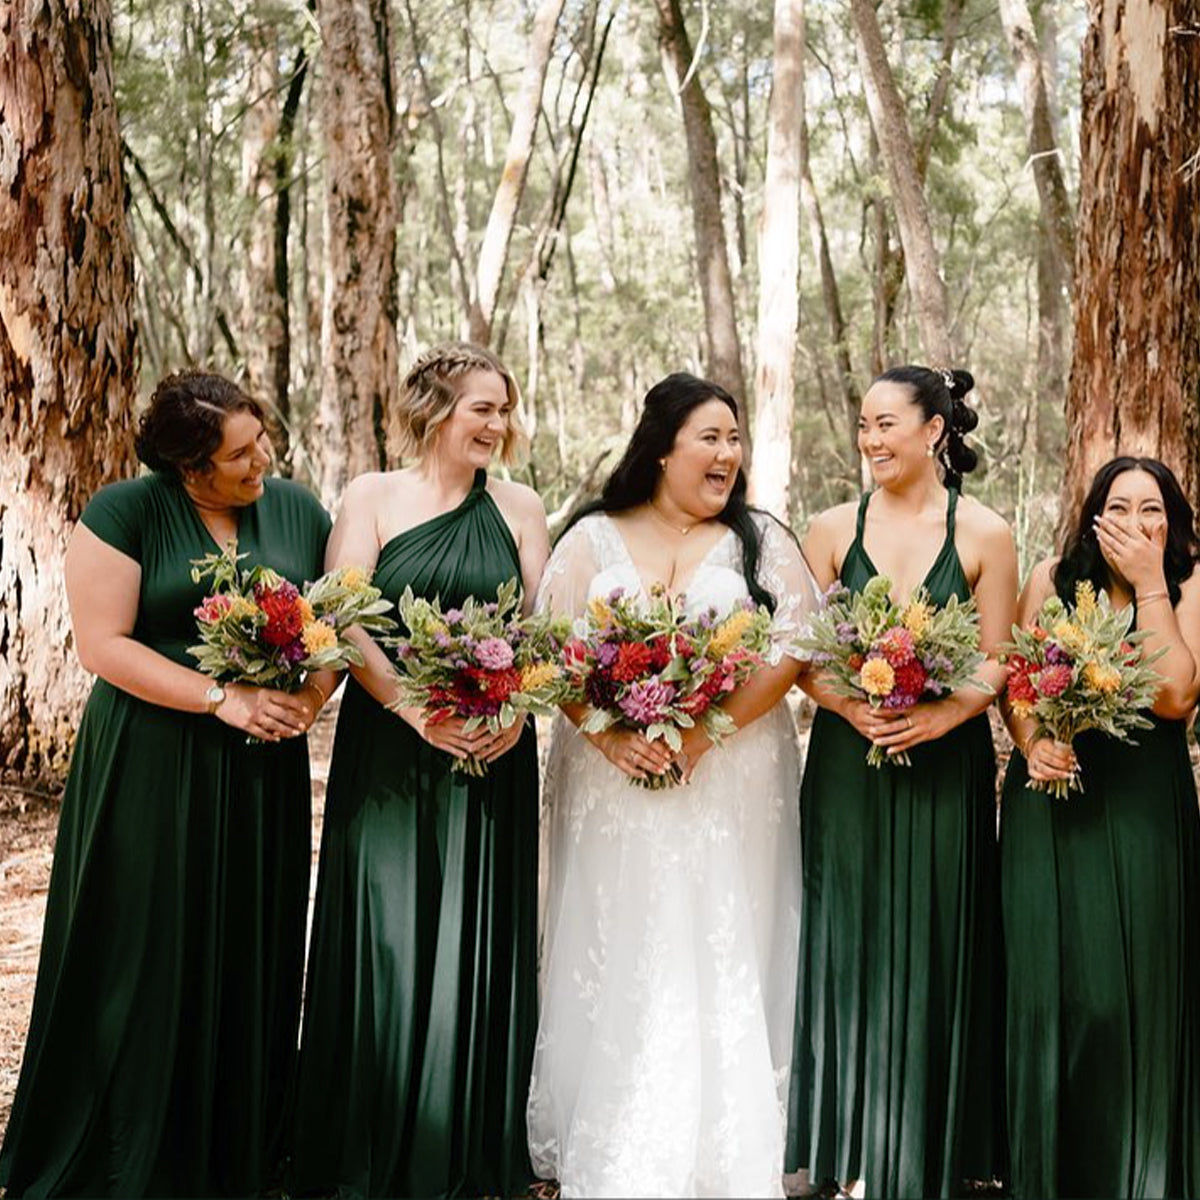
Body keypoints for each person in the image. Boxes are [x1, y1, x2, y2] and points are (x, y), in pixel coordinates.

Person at [0, 371, 332, 1197]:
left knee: (253, 940)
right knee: (142, 949)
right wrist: (223, 699)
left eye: (262, 440)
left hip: (263, 775)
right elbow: (103, 645)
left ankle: (239, 1146)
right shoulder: (124, 512)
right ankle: (125, 1148)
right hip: (151, 762)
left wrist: (309, 698)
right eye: (240, 454)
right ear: (189, 469)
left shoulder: (297, 510)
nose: (263, 460)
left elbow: (334, 627)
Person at [527, 372, 818, 1198]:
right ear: (661, 448)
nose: (728, 454)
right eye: (710, 438)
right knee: (622, 930)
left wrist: (703, 729)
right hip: (615, 777)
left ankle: (731, 1136)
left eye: (735, 439)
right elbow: (548, 653)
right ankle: (613, 1122)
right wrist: (612, 733)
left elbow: (796, 641)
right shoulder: (591, 538)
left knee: (730, 927)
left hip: (729, 777)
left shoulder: (761, 538)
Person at [289, 342, 549, 1198]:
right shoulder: (371, 496)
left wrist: (512, 714)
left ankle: (466, 1143)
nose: (498, 425)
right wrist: (412, 708)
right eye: (483, 408)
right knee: (388, 929)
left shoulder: (519, 504)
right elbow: (344, 611)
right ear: (435, 409)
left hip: (492, 750)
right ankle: (367, 1138)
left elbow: (542, 626)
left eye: (504, 410)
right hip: (392, 745)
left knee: (476, 928)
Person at [787, 366, 1017, 1198]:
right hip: (851, 763)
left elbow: (996, 659)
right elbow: (798, 658)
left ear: (934, 432)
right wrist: (849, 708)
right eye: (862, 424)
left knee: (937, 932)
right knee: (846, 937)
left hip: (944, 764)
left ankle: (930, 1148)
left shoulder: (986, 533)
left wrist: (942, 717)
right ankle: (841, 1147)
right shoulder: (825, 529)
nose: (871, 440)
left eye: (887, 423)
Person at [1000, 456, 1200, 1198]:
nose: (1138, 524)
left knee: (1129, 995)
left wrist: (1150, 584)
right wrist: (1030, 741)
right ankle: (1050, 1175)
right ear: (1095, 514)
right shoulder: (1052, 579)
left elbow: (1177, 694)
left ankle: (1135, 1175)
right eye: (1123, 508)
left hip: (1145, 806)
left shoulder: (1187, 583)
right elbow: (1017, 687)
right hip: (1051, 805)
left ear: (1172, 521)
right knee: (1055, 994)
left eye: (1154, 510)